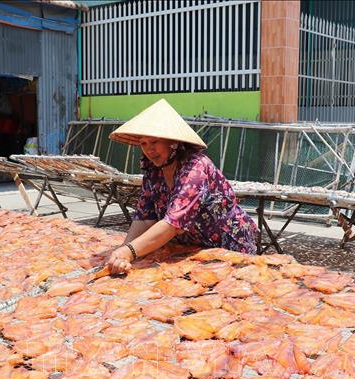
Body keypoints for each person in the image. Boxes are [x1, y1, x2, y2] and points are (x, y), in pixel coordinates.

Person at [106, 99, 258, 274]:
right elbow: (144, 217)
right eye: (144, 143)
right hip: (190, 250)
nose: (149, 150)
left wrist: (129, 251)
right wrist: (122, 252)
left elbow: (172, 223)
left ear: (173, 142)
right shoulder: (152, 170)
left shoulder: (195, 168)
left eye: (154, 142)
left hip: (228, 247)